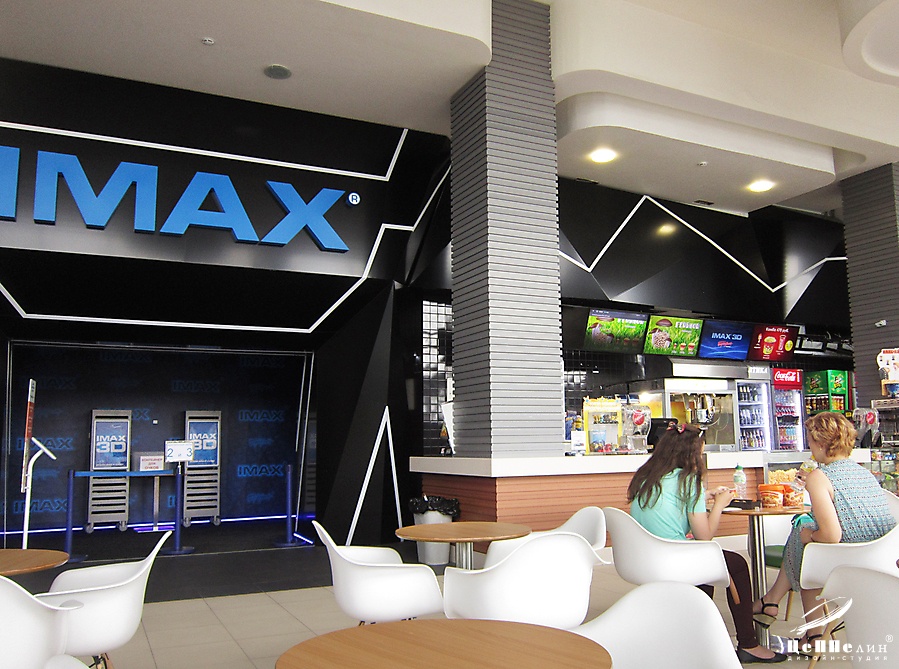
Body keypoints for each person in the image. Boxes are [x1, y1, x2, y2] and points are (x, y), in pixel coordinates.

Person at [628, 422, 786, 664]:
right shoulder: (688, 482)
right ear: (690, 454)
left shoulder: (645, 478)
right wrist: (719, 504)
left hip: (644, 559)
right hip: (673, 559)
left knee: (708, 570)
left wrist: (704, 494)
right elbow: (704, 537)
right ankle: (749, 643)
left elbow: (672, 503)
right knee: (736, 564)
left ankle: (693, 637)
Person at [753, 411, 896, 653]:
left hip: (850, 562)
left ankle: (788, 614)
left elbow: (831, 536)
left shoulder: (820, 477)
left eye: (810, 441)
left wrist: (808, 535)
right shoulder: (864, 473)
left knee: (804, 536)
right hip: (884, 561)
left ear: (820, 443)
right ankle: (801, 625)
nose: (809, 448)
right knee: (806, 537)